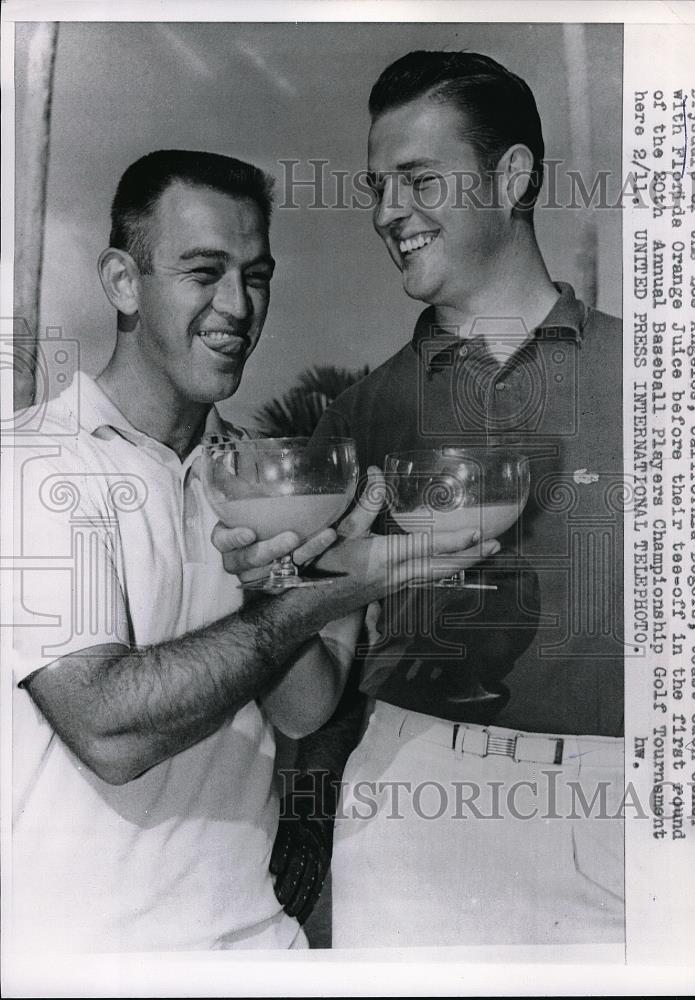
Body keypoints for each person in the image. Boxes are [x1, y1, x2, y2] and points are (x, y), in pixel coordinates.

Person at [9, 149, 496, 954]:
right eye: (203, 271)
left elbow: (304, 708)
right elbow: (106, 729)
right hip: (82, 959)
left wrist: (299, 580)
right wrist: (323, 595)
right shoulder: (34, 463)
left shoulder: (266, 475)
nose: (237, 305)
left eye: (257, 274)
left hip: (259, 947)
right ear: (123, 282)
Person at [228, 50, 625, 948]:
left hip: (625, 815)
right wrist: (277, 593)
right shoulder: (358, 417)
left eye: (419, 179)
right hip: (411, 812)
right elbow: (302, 710)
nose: (386, 212)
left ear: (512, 176)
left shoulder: (666, 382)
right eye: (378, 185)